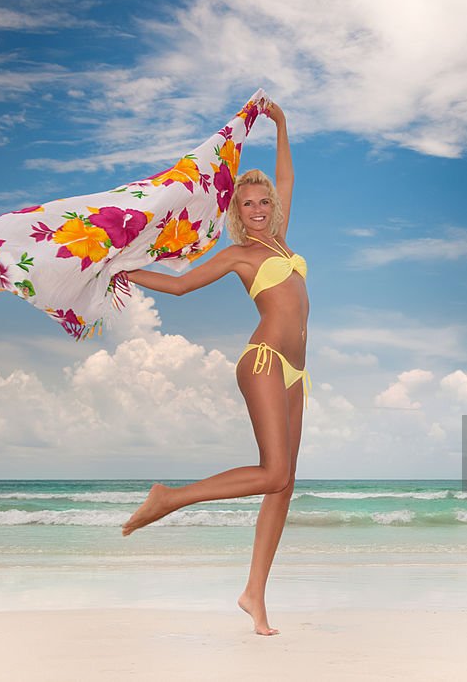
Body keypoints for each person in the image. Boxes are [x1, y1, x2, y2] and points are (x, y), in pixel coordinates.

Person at [119, 102, 306, 636]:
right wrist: (126, 271)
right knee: (272, 471)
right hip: (265, 360)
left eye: (263, 200)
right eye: (247, 203)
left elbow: (287, 175)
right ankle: (169, 498)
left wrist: (282, 125)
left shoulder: (282, 240)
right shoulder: (240, 254)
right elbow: (179, 286)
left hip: (297, 374)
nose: (257, 208)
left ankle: (254, 594)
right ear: (237, 212)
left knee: (283, 484)